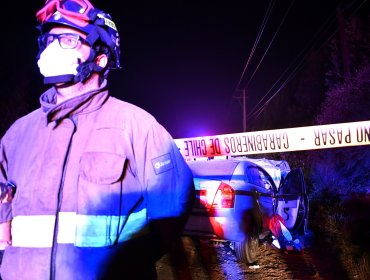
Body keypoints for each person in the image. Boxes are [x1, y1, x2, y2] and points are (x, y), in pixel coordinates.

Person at [0, 0, 195, 279]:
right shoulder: (18, 133)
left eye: (67, 39)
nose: (52, 48)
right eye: (50, 39)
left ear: (100, 58)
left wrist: (127, 267)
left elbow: (173, 206)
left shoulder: (136, 126)